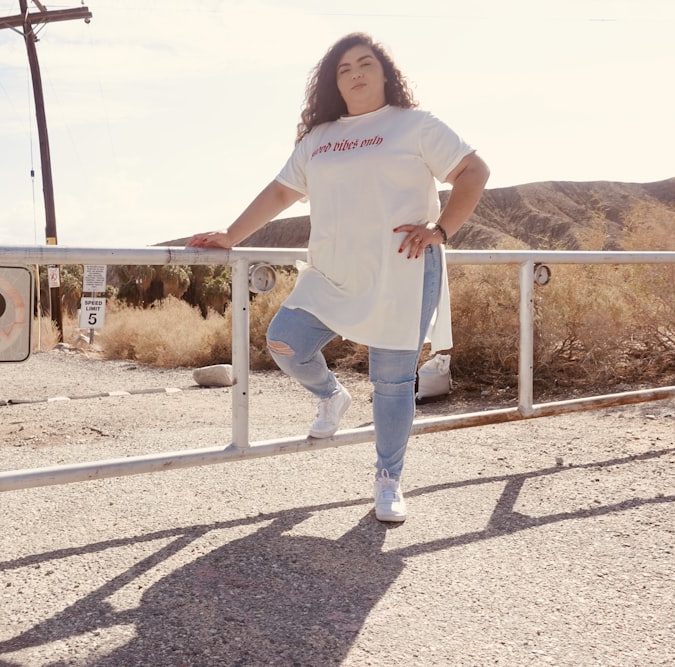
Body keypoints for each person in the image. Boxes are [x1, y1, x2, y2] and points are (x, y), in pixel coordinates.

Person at [187, 32, 489, 522]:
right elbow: (281, 194)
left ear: (385, 73)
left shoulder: (414, 125)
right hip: (333, 269)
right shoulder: (319, 139)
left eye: (365, 63)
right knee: (284, 340)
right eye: (344, 68)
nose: (355, 73)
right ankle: (331, 396)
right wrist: (232, 234)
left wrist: (441, 229)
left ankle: (388, 477)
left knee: (392, 381)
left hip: (403, 269)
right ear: (334, 81)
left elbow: (474, 170)